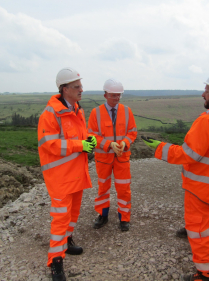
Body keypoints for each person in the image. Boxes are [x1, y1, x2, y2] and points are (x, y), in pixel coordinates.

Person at [142, 72, 209, 281]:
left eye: (207, 91)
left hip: (200, 189)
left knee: (198, 230)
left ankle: (204, 274)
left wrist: (160, 148)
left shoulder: (208, 121)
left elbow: (188, 154)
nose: (203, 94)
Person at [37, 67, 97, 281]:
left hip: (77, 173)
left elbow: (83, 135)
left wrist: (89, 141)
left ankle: (67, 241)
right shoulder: (50, 114)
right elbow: (49, 144)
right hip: (60, 177)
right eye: (77, 86)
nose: (82, 89)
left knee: (72, 214)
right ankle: (56, 261)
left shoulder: (77, 109)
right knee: (61, 218)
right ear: (64, 89)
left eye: (81, 85)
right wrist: (79, 145)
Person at [87, 78, 137, 231]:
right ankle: (103, 215)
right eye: (113, 95)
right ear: (105, 95)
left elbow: (132, 132)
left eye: (119, 95)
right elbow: (91, 135)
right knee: (103, 188)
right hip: (103, 158)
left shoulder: (127, 111)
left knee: (124, 189)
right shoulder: (96, 113)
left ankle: (124, 218)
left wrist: (124, 143)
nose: (116, 98)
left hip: (122, 158)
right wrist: (109, 145)